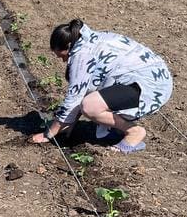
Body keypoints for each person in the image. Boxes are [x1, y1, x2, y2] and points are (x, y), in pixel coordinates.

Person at [31, 19, 173, 154]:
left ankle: (134, 132)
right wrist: (69, 123)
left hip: (149, 86)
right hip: (151, 79)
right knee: (91, 98)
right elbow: (84, 89)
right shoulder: (89, 40)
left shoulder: (82, 55)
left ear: (68, 46)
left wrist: (50, 133)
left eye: (62, 56)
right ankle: (115, 130)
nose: (63, 60)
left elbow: (75, 96)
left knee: (90, 106)